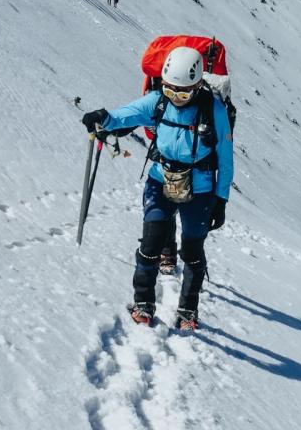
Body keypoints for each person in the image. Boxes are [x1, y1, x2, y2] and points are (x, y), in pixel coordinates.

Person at [81, 46, 233, 329]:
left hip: (199, 189)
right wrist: (102, 117)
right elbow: (125, 115)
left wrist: (221, 199)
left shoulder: (214, 110)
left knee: (191, 251)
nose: (175, 97)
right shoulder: (159, 101)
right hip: (159, 180)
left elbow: (225, 157)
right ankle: (143, 302)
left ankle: (188, 309)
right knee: (151, 244)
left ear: (198, 84)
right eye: (170, 89)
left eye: (183, 92)